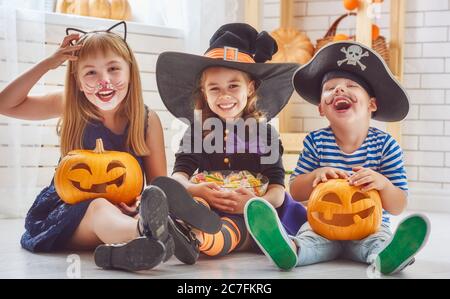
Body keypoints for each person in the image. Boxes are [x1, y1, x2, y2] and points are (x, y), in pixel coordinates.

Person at [0, 21, 219, 272]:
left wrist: (142, 204)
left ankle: (133, 247)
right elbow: (5, 104)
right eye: (90, 73)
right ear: (78, 82)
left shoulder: (146, 120)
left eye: (113, 69)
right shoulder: (71, 105)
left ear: (130, 72)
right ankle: (149, 232)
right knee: (99, 207)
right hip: (71, 216)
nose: (104, 81)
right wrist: (48, 64)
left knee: (150, 206)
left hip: (126, 212)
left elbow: (157, 184)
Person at [245, 41, 430, 275]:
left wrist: (382, 184)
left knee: (378, 242)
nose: (339, 90)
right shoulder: (316, 142)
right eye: (330, 88)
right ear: (321, 108)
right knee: (308, 239)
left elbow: (398, 205)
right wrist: (315, 175)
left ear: (372, 104)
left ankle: (390, 256)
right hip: (322, 228)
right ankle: (288, 249)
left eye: (351, 85)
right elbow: (296, 191)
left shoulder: (386, 146)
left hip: (369, 229)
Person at [155, 23, 308, 263]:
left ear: (250, 88)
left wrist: (254, 204)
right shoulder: (197, 132)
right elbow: (179, 176)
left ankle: (198, 240)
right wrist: (194, 189)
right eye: (214, 88)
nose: (224, 95)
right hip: (206, 201)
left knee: (235, 225)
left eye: (233, 86)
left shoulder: (264, 135)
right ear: (204, 93)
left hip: (248, 210)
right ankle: (175, 229)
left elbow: (278, 191)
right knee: (195, 203)